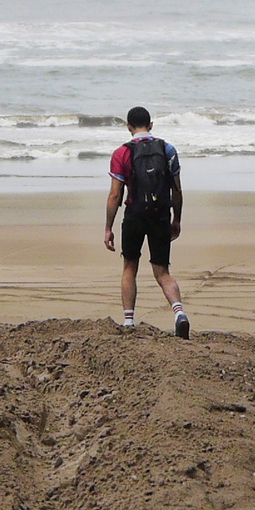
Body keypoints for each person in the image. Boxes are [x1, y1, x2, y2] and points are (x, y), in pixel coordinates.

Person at [104, 106, 190, 338]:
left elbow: (115, 195)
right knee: (162, 272)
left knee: (130, 267)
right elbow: (177, 190)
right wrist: (177, 219)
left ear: (129, 127)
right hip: (161, 214)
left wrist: (108, 227)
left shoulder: (122, 153)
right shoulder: (167, 149)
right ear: (151, 125)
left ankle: (129, 321)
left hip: (134, 215)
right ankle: (179, 313)